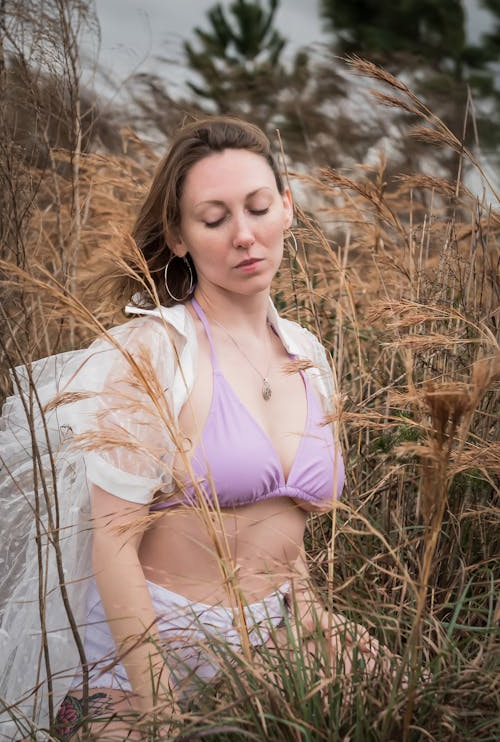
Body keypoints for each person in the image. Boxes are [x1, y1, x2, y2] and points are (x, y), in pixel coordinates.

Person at [0, 117, 373, 741]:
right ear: (178, 235)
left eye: (258, 208)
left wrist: (311, 616)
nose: (244, 235)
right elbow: (113, 545)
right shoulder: (152, 356)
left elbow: (288, 525)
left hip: (272, 641)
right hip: (139, 656)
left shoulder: (309, 355)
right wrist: (160, 702)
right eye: (214, 217)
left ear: (287, 210)